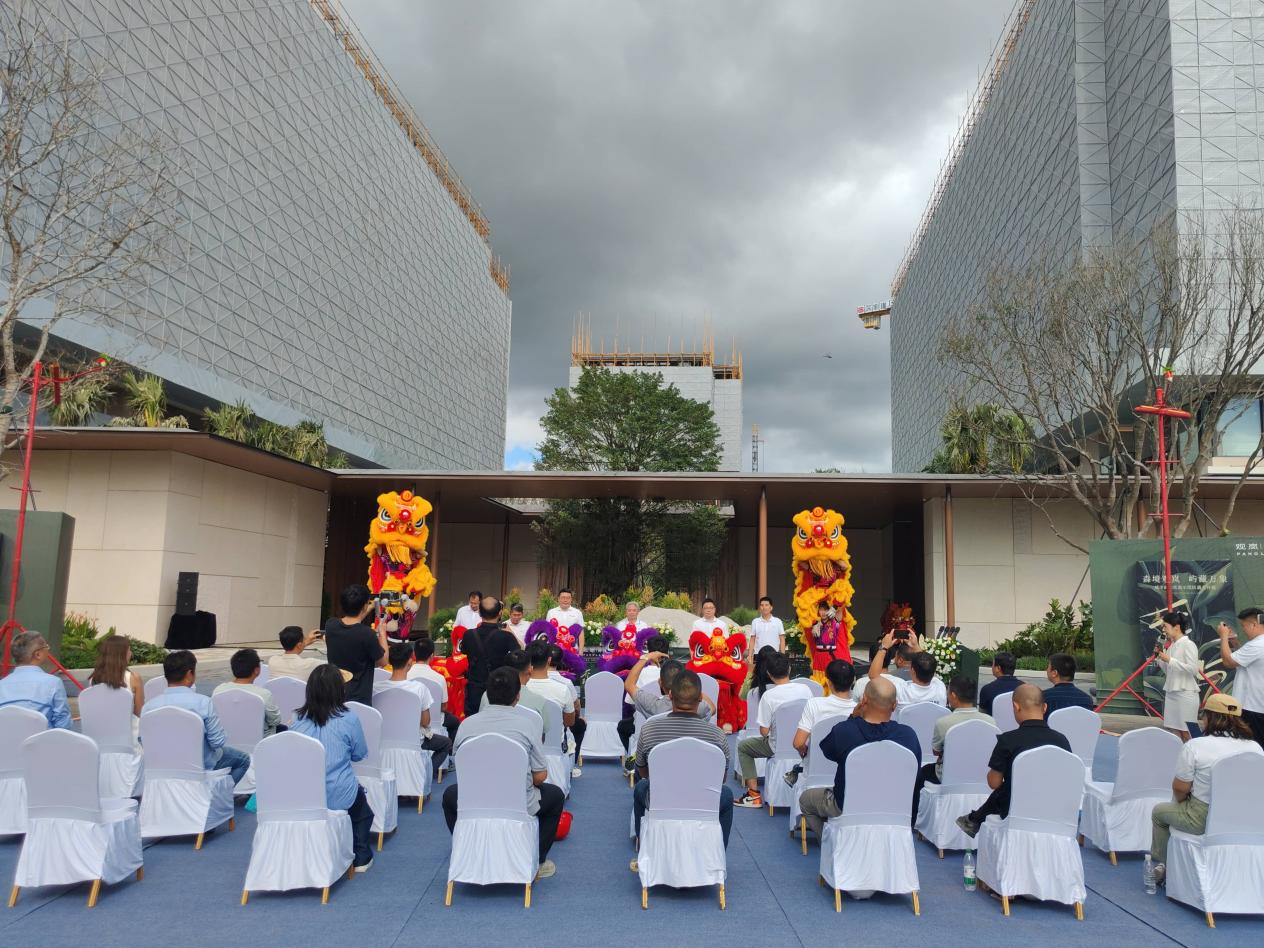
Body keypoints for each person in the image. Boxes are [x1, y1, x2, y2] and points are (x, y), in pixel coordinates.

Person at [442, 667, 565, 880]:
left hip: (474, 801)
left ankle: (470, 853)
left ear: (487, 694)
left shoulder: (466, 725)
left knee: (450, 795)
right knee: (555, 796)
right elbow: (540, 776)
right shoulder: (527, 725)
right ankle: (538, 860)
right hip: (517, 803)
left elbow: (461, 767)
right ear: (517, 696)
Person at [1149, 692, 1264, 885]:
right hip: (1245, 819)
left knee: (1159, 813)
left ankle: (1165, 866)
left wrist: (1184, 803)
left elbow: (1180, 789)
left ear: (1209, 717)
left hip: (1202, 818)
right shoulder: (1255, 748)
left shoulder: (1196, 746)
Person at [797, 678, 922, 838]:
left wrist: (853, 718)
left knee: (805, 800)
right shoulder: (908, 735)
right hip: (896, 808)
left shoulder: (845, 731)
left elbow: (827, 751)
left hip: (848, 806)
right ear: (894, 705)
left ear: (864, 700)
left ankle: (831, 845)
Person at [630, 670, 733, 862]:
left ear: (670, 695)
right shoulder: (717, 735)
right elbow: (721, 778)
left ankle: (643, 850)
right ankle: (717, 859)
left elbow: (643, 772)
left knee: (641, 787)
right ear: (701, 698)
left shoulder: (650, 729)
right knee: (726, 794)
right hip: (704, 803)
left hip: (661, 801)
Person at [288, 664, 375, 872]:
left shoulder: (296, 718)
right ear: (340, 690)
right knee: (363, 813)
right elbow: (359, 754)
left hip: (302, 792)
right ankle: (361, 856)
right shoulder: (349, 718)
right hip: (338, 792)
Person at [955, 683, 1072, 837]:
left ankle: (975, 819)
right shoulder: (1062, 740)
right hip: (1054, 808)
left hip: (1017, 810)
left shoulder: (1008, 740)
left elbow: (994, 783)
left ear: (1016, 707)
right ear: (1044, 708)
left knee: (1008, 787)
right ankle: (974, 818)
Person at [141, 650, 250, 784]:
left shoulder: (148, 707)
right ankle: (217, 793)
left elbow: (143, 740)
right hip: (201, 765)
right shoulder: (203, 703)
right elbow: (217, 742)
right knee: (243, 760)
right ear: (189, 674)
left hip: (162, 765)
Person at [735, 652, 813, 808]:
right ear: (789, 669)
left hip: (777, 746)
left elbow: (764, 732)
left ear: (769, 674)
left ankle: (753, 795)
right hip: (804, 744)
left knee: (743, 747)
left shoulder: (769, 696)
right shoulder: (806, 690)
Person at [620, 655, 715, 768]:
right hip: (694, 766)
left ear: (660, 682)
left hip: (660, 768)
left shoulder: (653, 705)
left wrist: (646, 657)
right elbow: (712, 708)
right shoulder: (701, 707)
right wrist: (690, 688)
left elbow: (629, 684)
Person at [375, 641, 451, 778]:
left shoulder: (376, 688)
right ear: (410, 662)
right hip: (413, 740)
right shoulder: (419, 689)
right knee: (446, 743)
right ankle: (425, 775)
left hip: (383, 739)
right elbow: (426, 722)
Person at [525, 639, 586, 777]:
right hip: (555, 748)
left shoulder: (520, 689)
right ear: (549, 660)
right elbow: (569, 722)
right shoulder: (562, 689)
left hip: (525, 747)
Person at [324, 583, 387, 707]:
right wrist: (382, 634)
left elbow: (352, 622)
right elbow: (383, 661)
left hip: (333, 692)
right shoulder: (367, 634)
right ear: (364, 606)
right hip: (358, 698)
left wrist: (369, 607)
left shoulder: (330, 625)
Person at [922, 675, 993, 784]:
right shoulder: (990, 722)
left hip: (948, 776)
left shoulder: (943, 722)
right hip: (981, 775)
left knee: (923, 773)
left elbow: (936, 751)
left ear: (953, 695)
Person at [790, 659, 858, 764]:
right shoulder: (860, 709)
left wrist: (806, 753)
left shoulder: (814, 704)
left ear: (828, 682)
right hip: (847, 768)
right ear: (853, 681)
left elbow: (798, 743)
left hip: (815, 767)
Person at [461, 596, 520, 716]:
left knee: (473, 720)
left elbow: (464, 651)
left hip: (474, 688)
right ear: (500, 613)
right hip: (498, 689)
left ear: (480, 612)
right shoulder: (506, 636)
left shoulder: (468, 635)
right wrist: (511, 632)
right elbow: (519, 653)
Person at [0, 631, 72, 729]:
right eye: (46, 647)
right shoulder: (53, 683)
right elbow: (63, 725)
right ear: (38, 654)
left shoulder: (1, 685)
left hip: (6, 738)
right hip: (43, 738)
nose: (48, 649)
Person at [1217, 607, 1264, 747]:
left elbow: (1228, 662)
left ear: (1254, 624)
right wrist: (1234, 642)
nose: (1243, 630)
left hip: (1252, 707)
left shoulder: (1257, 645)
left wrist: (1223, 637)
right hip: (1256, 706)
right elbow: (1243, 660)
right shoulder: (1258, 644)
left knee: (1252, 747)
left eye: (1244, 626)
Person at [212, 648, 283, 736]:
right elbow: (275, 721)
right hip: (260, 741)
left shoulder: (218, 690)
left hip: (226, 740)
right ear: (256, 670)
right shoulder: (264, 694)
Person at [1156, 609, 1201, 742]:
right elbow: (1169, 670)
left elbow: (1193, 669)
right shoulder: (1171, 646)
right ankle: (1181, 754)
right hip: (1172, 693)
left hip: (1185, 694)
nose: (1163, 630)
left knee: (1187, 731)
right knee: (1175, 731)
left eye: (1165, 626)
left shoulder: (1188, 644)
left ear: (1176, 627)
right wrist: (1159, 658)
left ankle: (1196, 753)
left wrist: (1170, 660)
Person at [408, 637, 459, 744]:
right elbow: (443, 707)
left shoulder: (406, 676)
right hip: (434, 720)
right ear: (432, 656)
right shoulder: (439, 678)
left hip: (410, 717)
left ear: (414, 654)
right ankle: (451, 751)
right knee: (455, 723)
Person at [88, 634, 144, 718]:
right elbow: (139, 712)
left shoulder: (93, 678)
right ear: (121, 654)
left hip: (101, 725)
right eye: (129, 650)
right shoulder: (134, 678)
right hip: (128, 725)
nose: (131, 653)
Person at [1042, 652, 1094, 719]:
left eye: (1048, 667)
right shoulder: (1087, 699)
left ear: (1054, 673)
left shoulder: (1044, 697)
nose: (1046, 670)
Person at [978, 651, 1022, 715]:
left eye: (992, 665)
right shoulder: (1025, 689)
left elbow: (982, 715)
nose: (992, 667)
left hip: (993, 721)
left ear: (998, 668)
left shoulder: (987, 689)